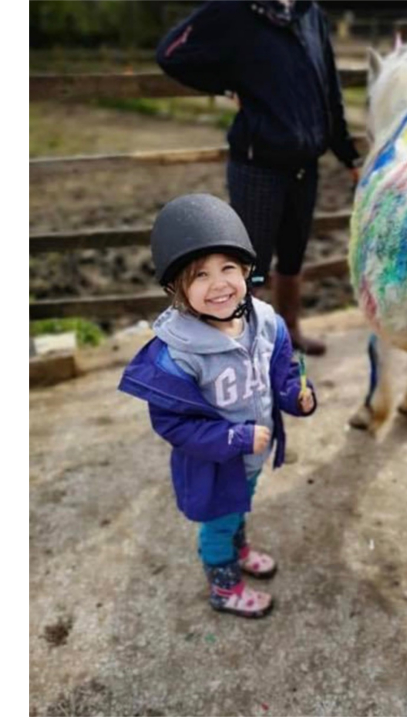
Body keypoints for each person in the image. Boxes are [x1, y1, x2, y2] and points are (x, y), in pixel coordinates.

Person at [118, 194, 317, 619]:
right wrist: (238, 437)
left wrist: (297, 396)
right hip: (215, 465)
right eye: (200, 275)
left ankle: (238, 549)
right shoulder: (177, 355)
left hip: (251, 457)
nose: (219, 284)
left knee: (239, 506)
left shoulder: (266, 324)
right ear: (177, 289)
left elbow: (282, 373)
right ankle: (224, 588)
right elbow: (176, 425)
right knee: (218, 524)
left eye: (228, 268)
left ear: (246, 270)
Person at [155, 0, 362, 356]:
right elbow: (171, 54)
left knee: (294, 253)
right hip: (259, 164)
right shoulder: (234, 11)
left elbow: (329, 89)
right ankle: (247, 344)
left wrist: (348, 155)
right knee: (253, 263)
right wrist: (228, 84)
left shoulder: (310, 14)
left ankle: (288, 332)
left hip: (305, 164)